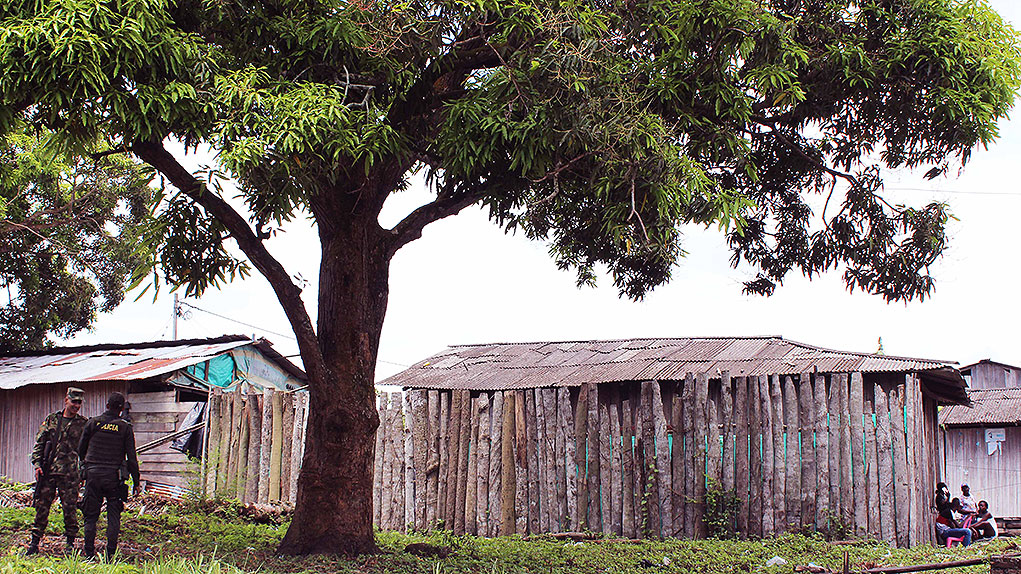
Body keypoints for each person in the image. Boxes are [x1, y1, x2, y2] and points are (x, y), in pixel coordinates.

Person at [78, 392, 140, 560]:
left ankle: (89, 553)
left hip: (93, 475)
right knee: (113, 516)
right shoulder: (125, 427)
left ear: (106, 406)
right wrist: (137, 482)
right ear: (121, 409)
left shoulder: (93, 423)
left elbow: (81, 449)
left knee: (90, 516)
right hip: (114, 477)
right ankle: (110, 555)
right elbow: (132, 458)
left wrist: (84, 465)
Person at [27, 387, 88, 555]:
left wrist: (83, 471)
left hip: (70, 474)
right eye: (73, 401)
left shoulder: (83, 423)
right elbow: (40, 442)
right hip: (49, 472)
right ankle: (34, 544)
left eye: (79, 402)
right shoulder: (52, 420)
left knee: (70, 510)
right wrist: (37, 464)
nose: (76, 405)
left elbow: (87, 450)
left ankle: (70, 544)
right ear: (66, 400)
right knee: (42, 508)